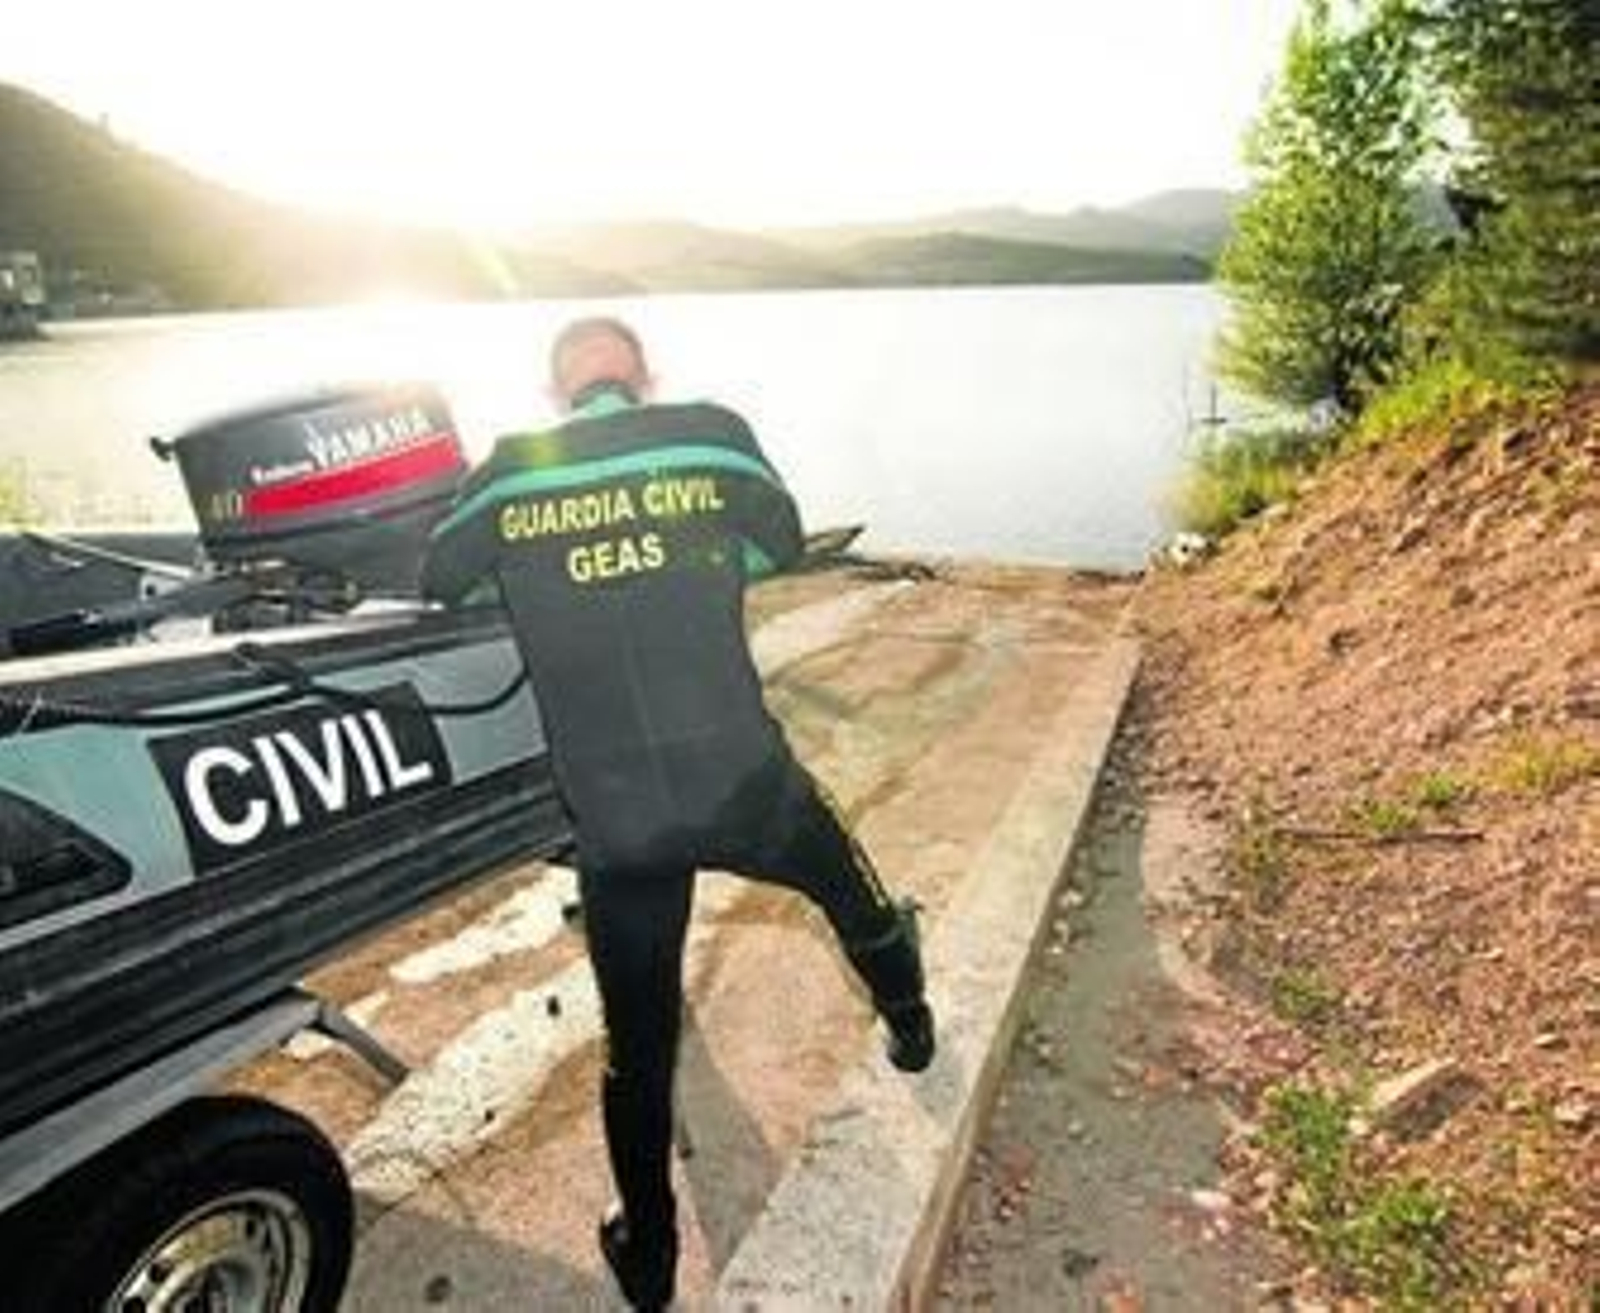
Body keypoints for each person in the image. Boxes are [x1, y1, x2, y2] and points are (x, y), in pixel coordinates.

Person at [420, 317, 934, 1310]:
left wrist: (553, 576)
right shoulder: (708, 431)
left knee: (637, 1040)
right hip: (746, 781)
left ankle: (648, 1257)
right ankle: (911, 1031)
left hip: (616, 816)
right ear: (643, 375)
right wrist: (679, 561)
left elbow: (441, 578)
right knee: (860, 899)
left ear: (555, 390)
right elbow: (778, 546)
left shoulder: (508, 470)